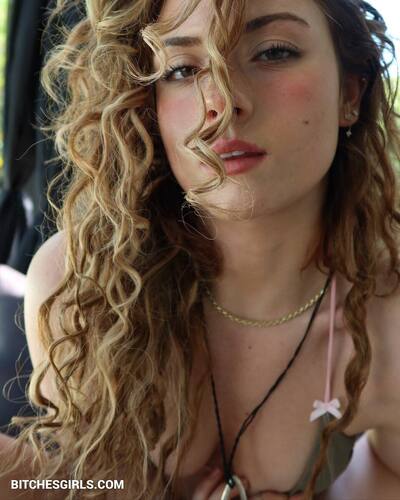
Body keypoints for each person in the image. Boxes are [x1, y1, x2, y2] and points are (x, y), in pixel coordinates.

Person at [1, 0, 400, 499]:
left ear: (351, 92)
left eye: (273, 52)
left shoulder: (388, 325)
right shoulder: (82, 289)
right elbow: (91, 483)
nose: (222, 102)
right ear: (147, 105)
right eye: (182, 69)